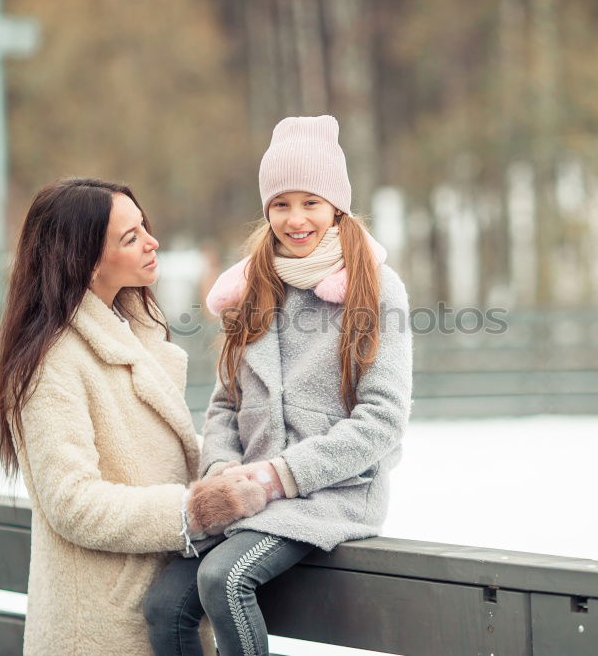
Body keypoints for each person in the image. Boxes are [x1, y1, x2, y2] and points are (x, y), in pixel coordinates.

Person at [143, 116, 413, 656]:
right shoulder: (252, 286)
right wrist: (222, 474)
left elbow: (383, 418)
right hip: (246, 499)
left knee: (224, 579)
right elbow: (226, 402)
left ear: (336, 205)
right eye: (281, 203)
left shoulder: (376, 288)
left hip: (329, 494)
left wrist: (278, 477)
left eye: (310, 202)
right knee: (164, 606)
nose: (295, 219)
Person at [0, 177, 265, 655]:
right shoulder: (52, 363)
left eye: (144, 227)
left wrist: (231, 468)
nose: (152, 243)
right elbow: (72, 502)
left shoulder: (132, 333)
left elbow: (155, 453)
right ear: (87, 264)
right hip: (98, 628)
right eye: (131, 238)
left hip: (158, 606)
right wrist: (192, 510)